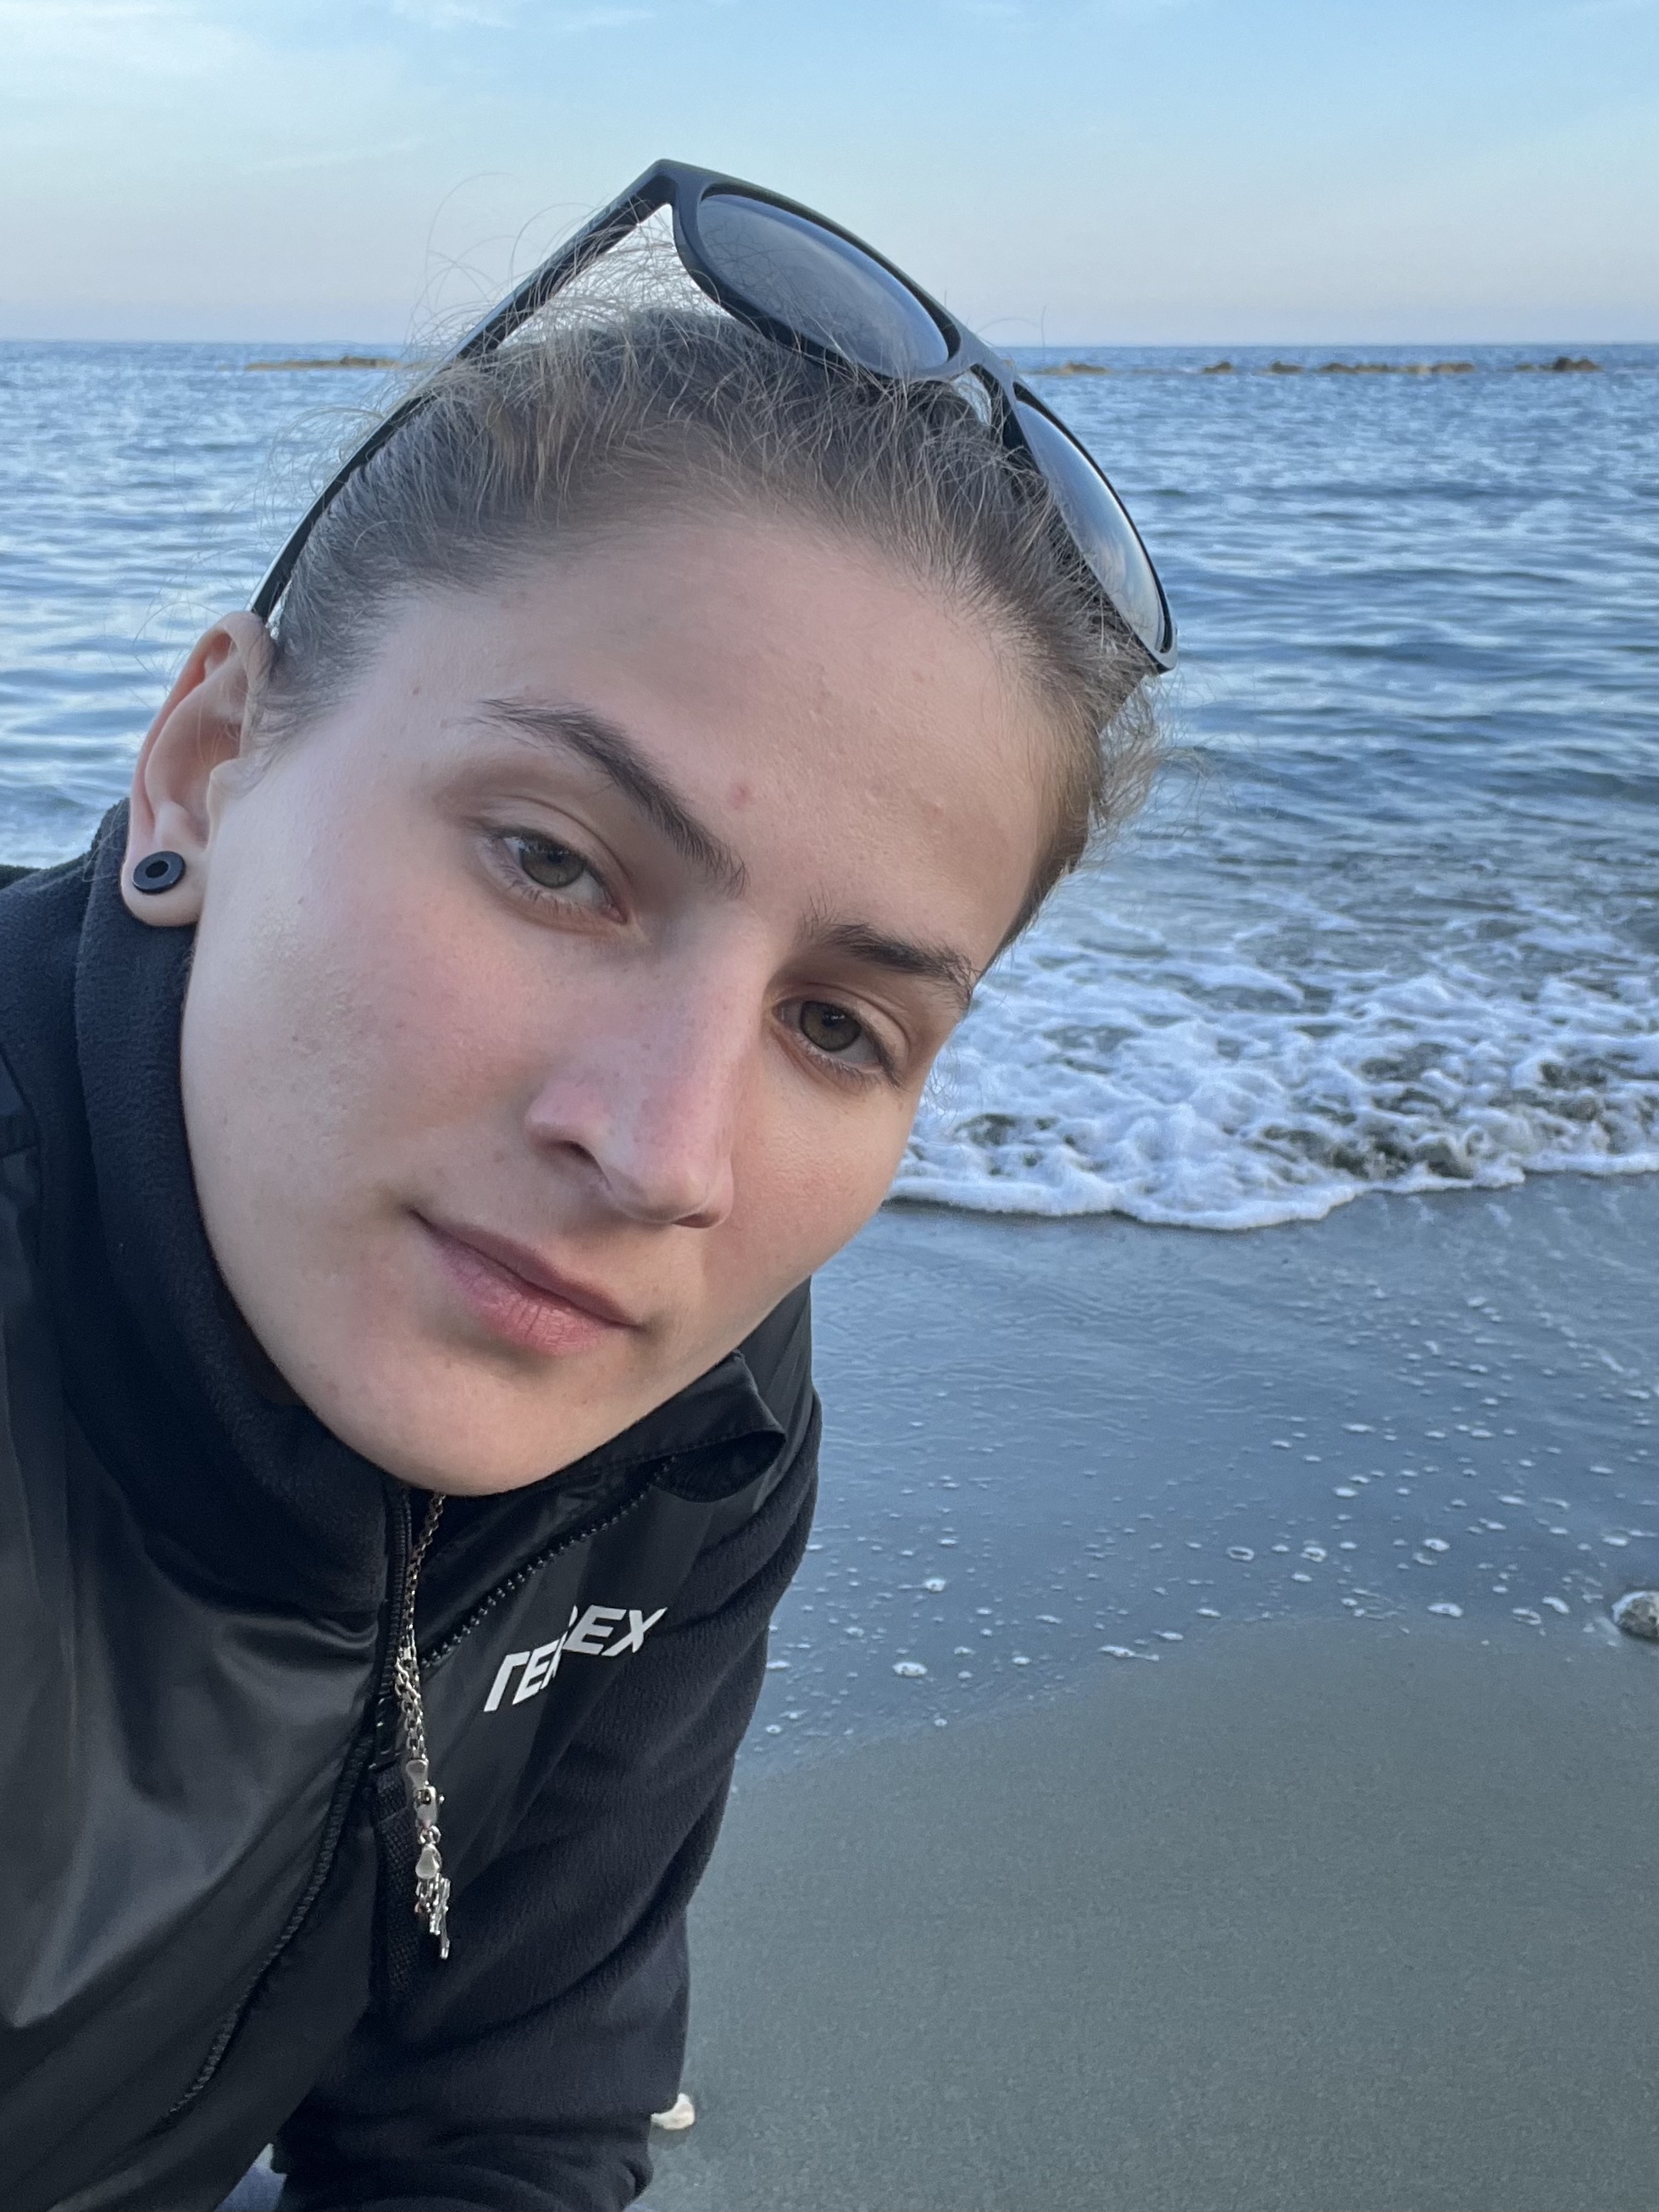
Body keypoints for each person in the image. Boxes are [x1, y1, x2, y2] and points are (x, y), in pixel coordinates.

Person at [0, 161, 1172, 2211]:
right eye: (554, 861)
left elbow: (497, 2123)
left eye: (838, 1025)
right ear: (206, 765)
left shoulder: (691, 1421)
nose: (661, 1156)